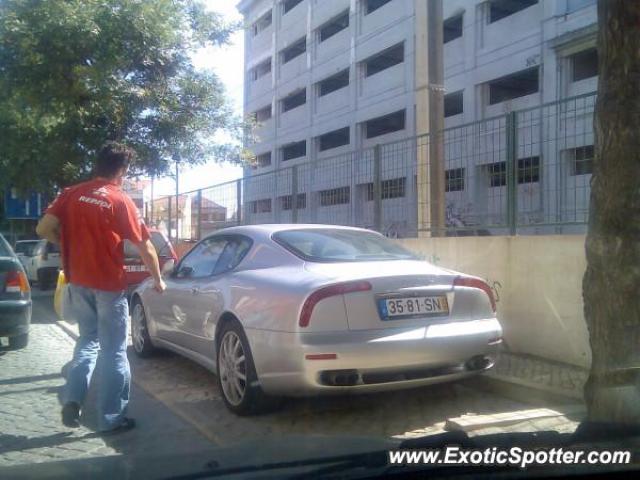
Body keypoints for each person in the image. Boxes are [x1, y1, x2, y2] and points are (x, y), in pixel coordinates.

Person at [36, 142, 166, 434]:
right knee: (115, 351)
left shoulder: (70, 194)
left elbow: (42, 229)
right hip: (108, 284)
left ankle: (73, 399)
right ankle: (111, 419)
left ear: (98, 164)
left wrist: (66, 242)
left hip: (78, 281)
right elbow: (144, 244)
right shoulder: (120, 200)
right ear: (122, 170)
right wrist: (157, 278)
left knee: (87, 341)